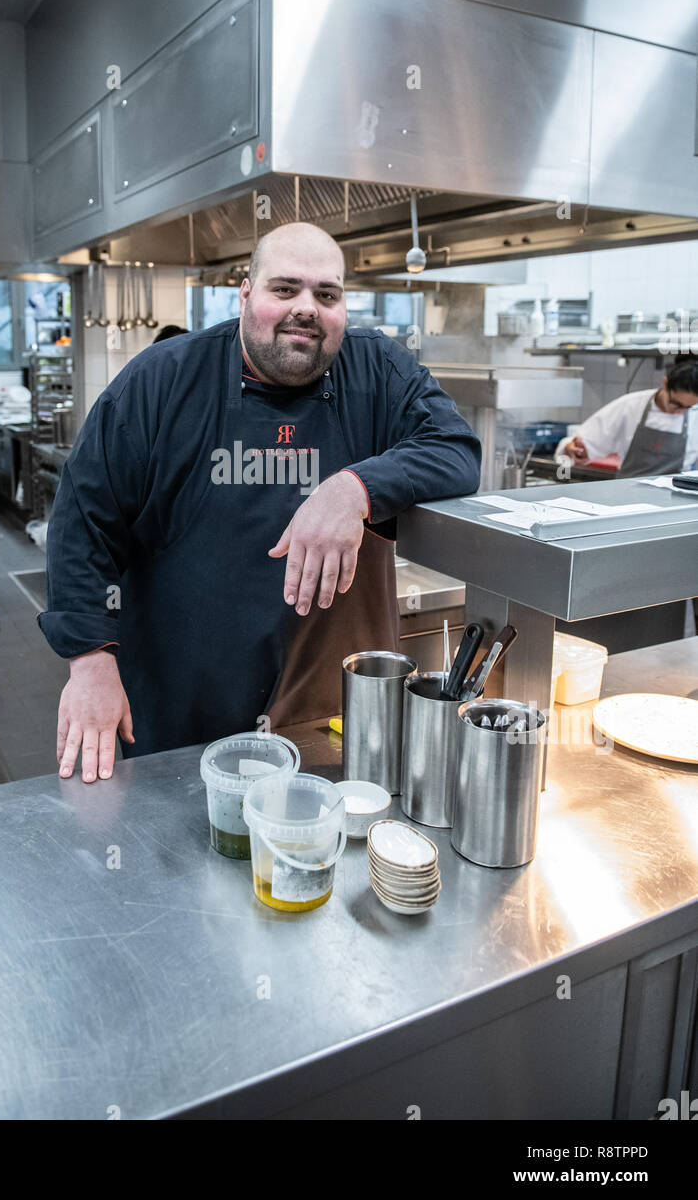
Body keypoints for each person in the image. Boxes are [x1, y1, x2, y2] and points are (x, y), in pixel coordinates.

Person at [39, 223, 481, 782]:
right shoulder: (160, 382)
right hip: (182, 713)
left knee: (324, 852)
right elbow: (83, 521)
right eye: (284, 289)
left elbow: (458, 451)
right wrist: (90, 662)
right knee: (177, 855)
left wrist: (355, 488)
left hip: (327, 715)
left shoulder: (378, 371)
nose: (307, 308)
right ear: (245, 293)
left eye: (327, 295)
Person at [556, 354, 698, 477]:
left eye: (689, 407)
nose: (680, 411)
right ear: (665, 384)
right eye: (676, 404)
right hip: (628, 497)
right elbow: (582, 444)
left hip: (675, 501)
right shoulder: (630, 405)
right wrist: (575, 451)